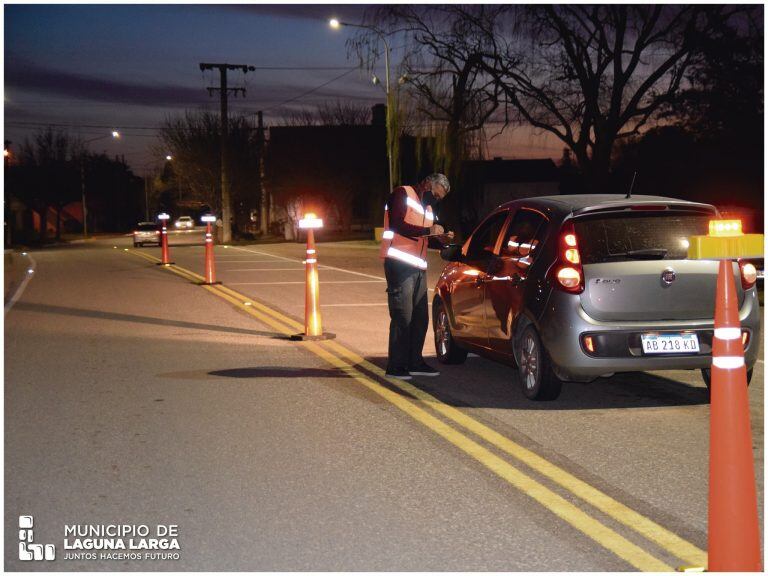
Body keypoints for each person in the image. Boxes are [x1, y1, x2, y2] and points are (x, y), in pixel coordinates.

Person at [380, 173, 453, 379]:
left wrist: (442, 238)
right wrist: (428, 229)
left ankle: (415, 362)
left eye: (440, 198)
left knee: (420, 318)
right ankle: (396, 367)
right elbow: (397, 225)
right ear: (428, 184)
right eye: (436, 194)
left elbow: (426, 236)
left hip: (419, 267)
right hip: (398, 263)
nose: (436, 200)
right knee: (403, 316)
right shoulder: (402, 194)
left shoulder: (428, 208)